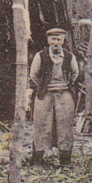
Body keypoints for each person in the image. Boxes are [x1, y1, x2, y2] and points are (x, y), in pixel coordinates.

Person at [28, 27, 81, 167]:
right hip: (44, 95)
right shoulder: (40, 56)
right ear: (48, 40)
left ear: (63, 40)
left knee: (65, 125)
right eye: (52, 39)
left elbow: (75, 74)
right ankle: (37, 159)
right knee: (41, 124)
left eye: (58, 39)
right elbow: (33, 75)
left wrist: (65, 85)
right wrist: (43, 86)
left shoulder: (70, 57)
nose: (55, 42)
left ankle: (65, 160)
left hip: (64, 94)